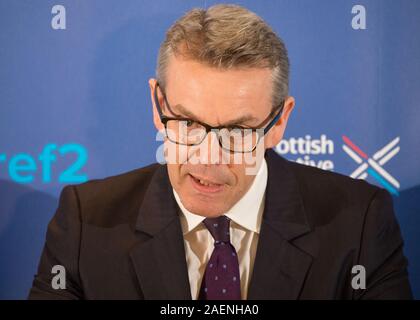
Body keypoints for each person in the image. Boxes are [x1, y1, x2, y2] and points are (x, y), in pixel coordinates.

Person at [29, 4, 412, 300]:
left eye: (238, 131)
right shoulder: (84, 221)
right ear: (156, 105)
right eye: (188, 123)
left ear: (279, 123)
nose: (207, 157)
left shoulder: (358, 224)